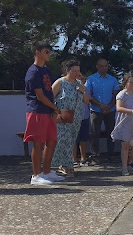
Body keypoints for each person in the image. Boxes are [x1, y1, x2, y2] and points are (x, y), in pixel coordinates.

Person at [23, 42, 64, 185]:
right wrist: (55, 108)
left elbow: (49, 92)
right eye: (46, 51)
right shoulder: (33, 72)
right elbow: (40, 96)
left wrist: (52, 109)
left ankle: (47, 172)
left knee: (52, 141)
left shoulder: (45, 70)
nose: (49, 54)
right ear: (37, 52)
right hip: (37, 111)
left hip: (48, 111)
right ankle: (36, 175)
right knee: (38, 143)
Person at [51, 59, 88, 177]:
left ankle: (65, 164)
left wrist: (84, 91)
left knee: (71, 141)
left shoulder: (79, 83)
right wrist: (55, 113)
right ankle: (66, 164)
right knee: (63, 140)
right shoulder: (60, 82)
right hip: (62, 116)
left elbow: (86, 101)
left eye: (78, 71)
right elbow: (50, 98)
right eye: (74, 71)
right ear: (68, 71)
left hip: (76, 117)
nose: (77, 73)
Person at [86, 58, 120, 158]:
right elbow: (88, 95)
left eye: (105, 66)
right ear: (97, 66)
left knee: (111, 132)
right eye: (101, 66)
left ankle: (111, 154)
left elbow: (116, 95)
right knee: (94, 133)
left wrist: (109, 106)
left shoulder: (113, 79)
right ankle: (95, 155)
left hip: (110, 109)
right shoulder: (90, 79)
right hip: (96, 110)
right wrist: (101, 105)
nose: (103, 68)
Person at [111, 76, 133, 176]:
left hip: (132, 122)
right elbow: (119, 108)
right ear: (126, 83)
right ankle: (124, 167)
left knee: (131, 145)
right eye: (131, 82)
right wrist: (132, 112)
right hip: (124, 122)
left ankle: (128, 163)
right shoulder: (122, 94)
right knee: (125, 145)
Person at [73, 71, 92, 167]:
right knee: (73, 138)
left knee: (83, 138)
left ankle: (83, 158)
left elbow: (87, 101)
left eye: (84, 79)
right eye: (81, 79)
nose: (82, 81)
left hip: (84, 115)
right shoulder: (72, 88)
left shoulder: (87, 89)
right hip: (74, 116)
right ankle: (74, 159)